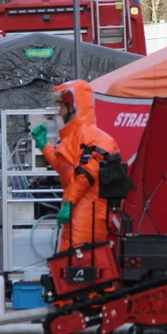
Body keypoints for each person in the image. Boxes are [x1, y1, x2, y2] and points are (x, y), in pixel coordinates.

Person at [30, 80, 119, 251]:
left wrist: (69, 202)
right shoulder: (74, 137)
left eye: (62, 107)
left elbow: (86, 174)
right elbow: (63, 166)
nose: (59, 112)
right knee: (72, 259)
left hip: (89, 208)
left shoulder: (92, 137)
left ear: (73, 107)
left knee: (80, 259)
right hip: (79, 208)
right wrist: (44, 145)